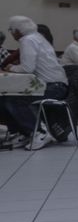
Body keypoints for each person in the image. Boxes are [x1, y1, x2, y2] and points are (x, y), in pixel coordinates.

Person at [2, 16, 69, 150]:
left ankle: (40, 132)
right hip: (56, 85)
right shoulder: (38, 37)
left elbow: (27, 68)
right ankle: (24, 133)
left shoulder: (27, 40)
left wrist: (11, 68)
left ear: (17, 30)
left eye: (11, 30)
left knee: (13, 100)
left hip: (53, 87)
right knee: (4, 98)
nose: (11, 33)